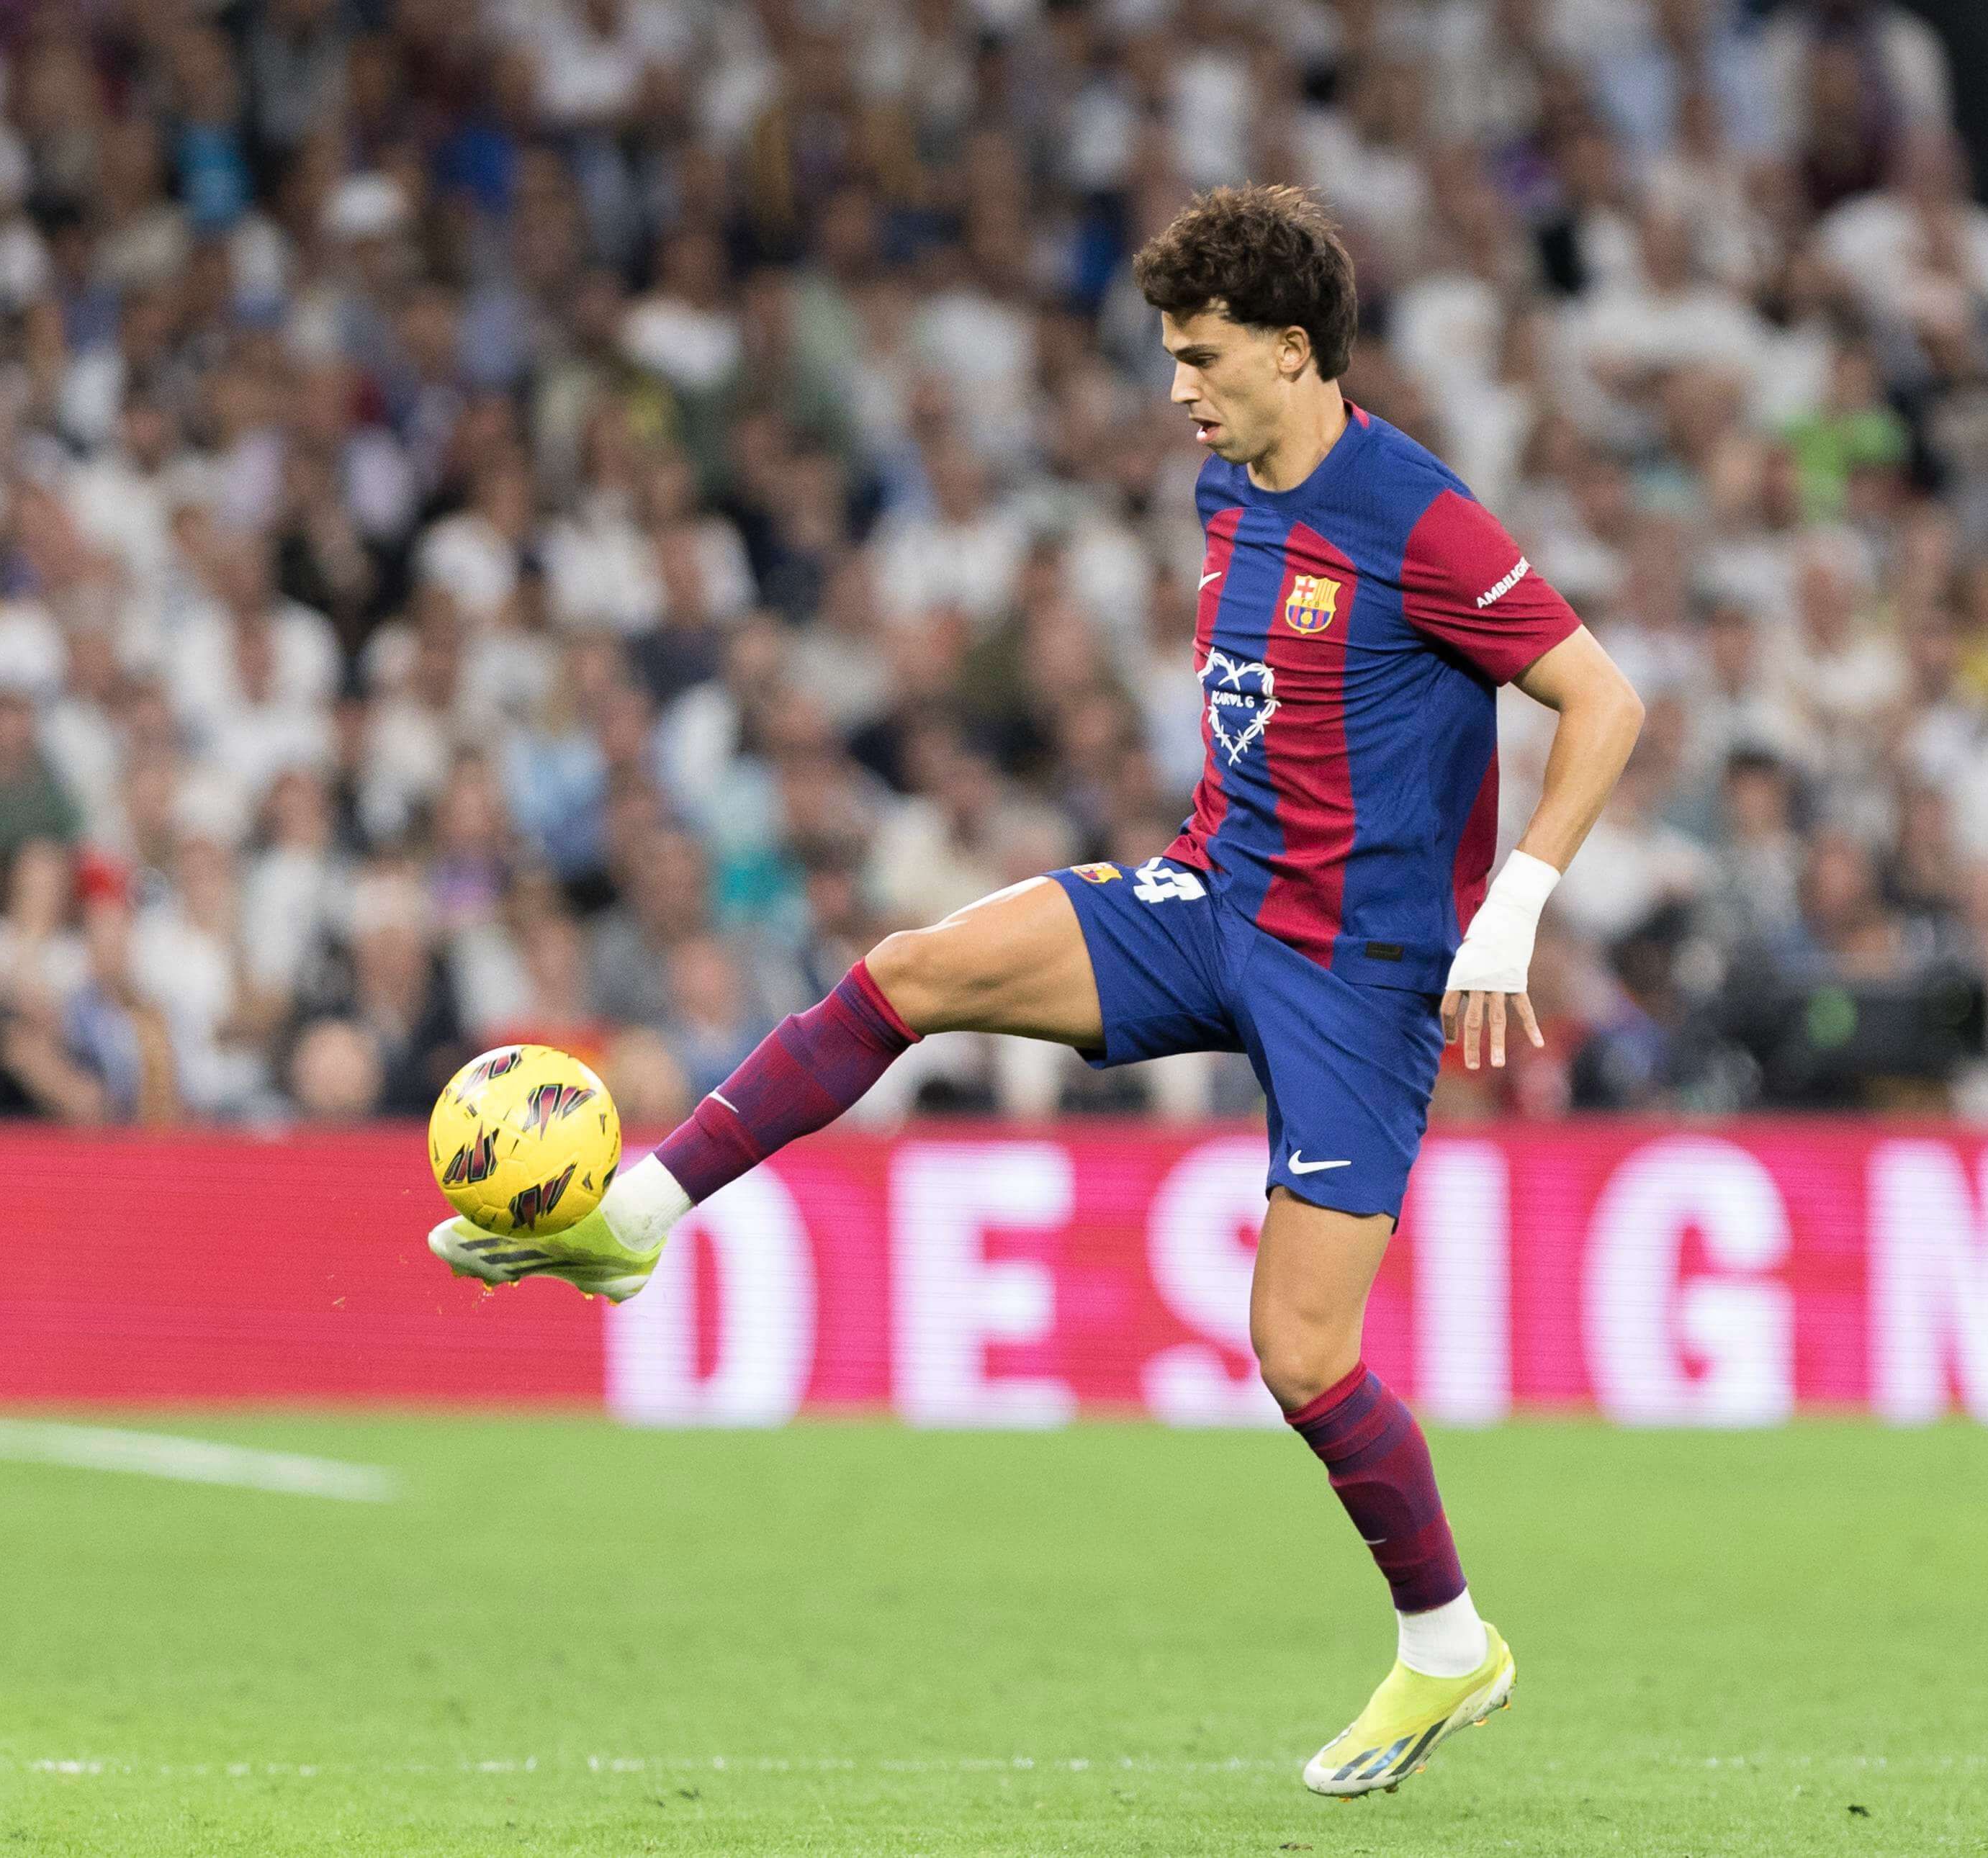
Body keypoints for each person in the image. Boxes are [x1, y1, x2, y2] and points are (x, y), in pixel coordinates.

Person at [428, 186, 1646, 1801]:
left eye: (1201, 358)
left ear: (1294, 353)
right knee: (911, 969)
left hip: (1358, 972)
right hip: (1213, 897)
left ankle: (1446, 1647)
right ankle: (639, 1214)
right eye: (1168, 359)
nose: (1177, 391)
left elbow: (1601, 697)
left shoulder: (1417, 515)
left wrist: (1513, 913)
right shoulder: (1232, 482)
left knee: (1296, 1354)